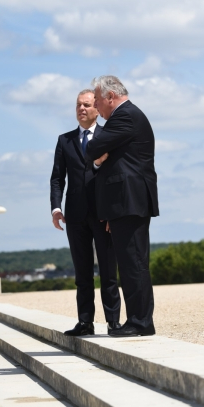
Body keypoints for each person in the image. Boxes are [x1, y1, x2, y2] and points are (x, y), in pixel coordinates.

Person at [85, 75, 159, 337]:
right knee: (130, 262)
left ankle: (140, 321)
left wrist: (99, 152)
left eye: (96, 99)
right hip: (124, 202)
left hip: (130, 200)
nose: (95, 106)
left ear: (110, 97)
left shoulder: (124, 116)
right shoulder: (124, 116)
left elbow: (91, 147)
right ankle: (138, 320)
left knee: (133, 262)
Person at [50, 89, 121, 336]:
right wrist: (56, 208)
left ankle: (114, 322)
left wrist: (115, 213)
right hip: (75, 216)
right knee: (82, 273)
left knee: (108, 271)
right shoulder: (64, 140)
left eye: (87, 105)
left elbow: (115, 177)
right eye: (78, 105)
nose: (81, 109)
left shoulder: (109, 136)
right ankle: (85, 322)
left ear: (96, 109)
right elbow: (57, 179)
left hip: (104, 215)